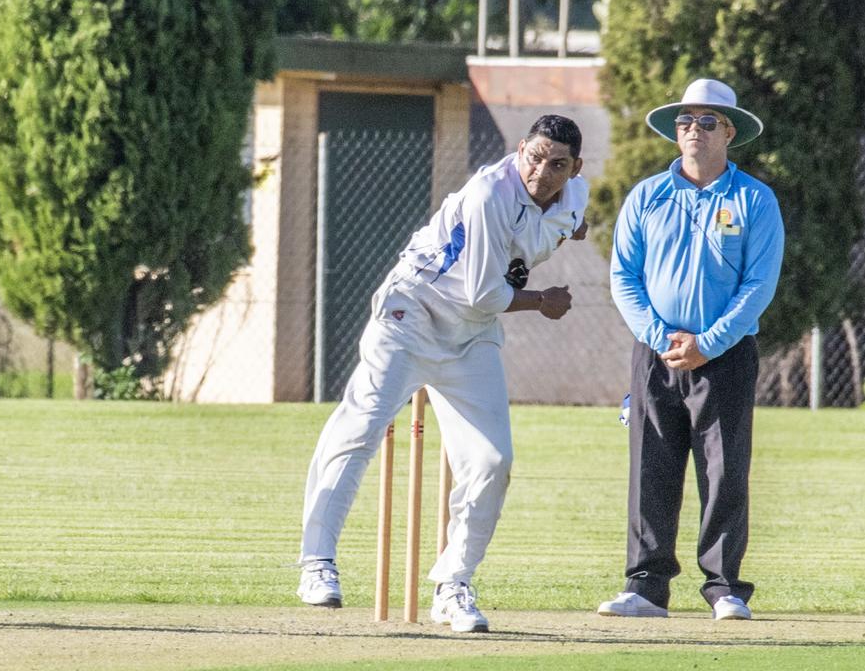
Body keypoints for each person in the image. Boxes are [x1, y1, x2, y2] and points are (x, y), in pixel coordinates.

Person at [297, 115, 589, 633]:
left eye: (557, 164)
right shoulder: (487, 196)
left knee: (492, 459)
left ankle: (453, 584)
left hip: (470, 336)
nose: (542, 172)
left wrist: (572, 226)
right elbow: (485, 294)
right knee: (360, 429)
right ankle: (316, 563)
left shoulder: (574, 196)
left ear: (575, 168)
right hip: (413, 312)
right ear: (520, 149)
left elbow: (564, 223)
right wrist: (543, 300)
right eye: (535, 157)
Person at [599, 78, 784, 621]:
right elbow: (623, 276)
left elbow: (759, 285)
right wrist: (663, 338)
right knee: (651, 465)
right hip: (656, 352)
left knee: (725, 469)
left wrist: (711, 342)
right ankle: (646, 586)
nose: (694, 131)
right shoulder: (647, 196)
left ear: (729, 131)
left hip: (725, 355)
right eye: (685, 122)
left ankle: (725, 587)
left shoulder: (754, 199)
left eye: (707, 122)